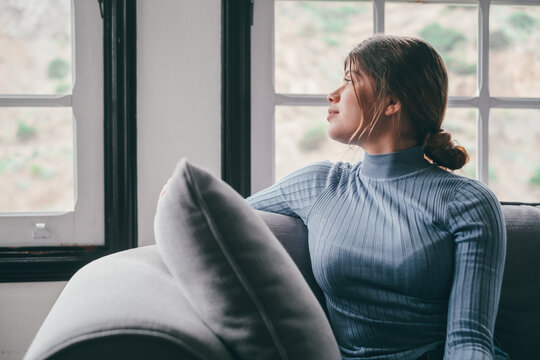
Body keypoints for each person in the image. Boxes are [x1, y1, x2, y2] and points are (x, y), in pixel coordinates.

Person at [247, 34, 508, 360]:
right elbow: (215, 216)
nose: (332, 95)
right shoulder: (319, 184)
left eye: (349, 81)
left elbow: (469, 341)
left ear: (392, 103)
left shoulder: (469, 202)